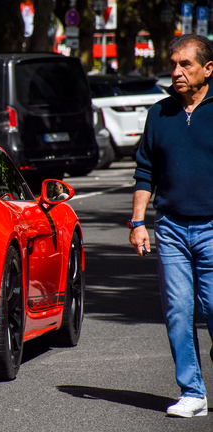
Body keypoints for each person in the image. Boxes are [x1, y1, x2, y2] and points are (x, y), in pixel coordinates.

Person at [129, 33, 213, 418]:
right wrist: (137, 221)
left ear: (208, 69)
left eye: (186, 65)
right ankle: (192, 392)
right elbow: (145, 170)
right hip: (172, 230)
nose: (176, 72)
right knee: (178, 312)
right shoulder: (159, 113)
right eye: (173, 64)